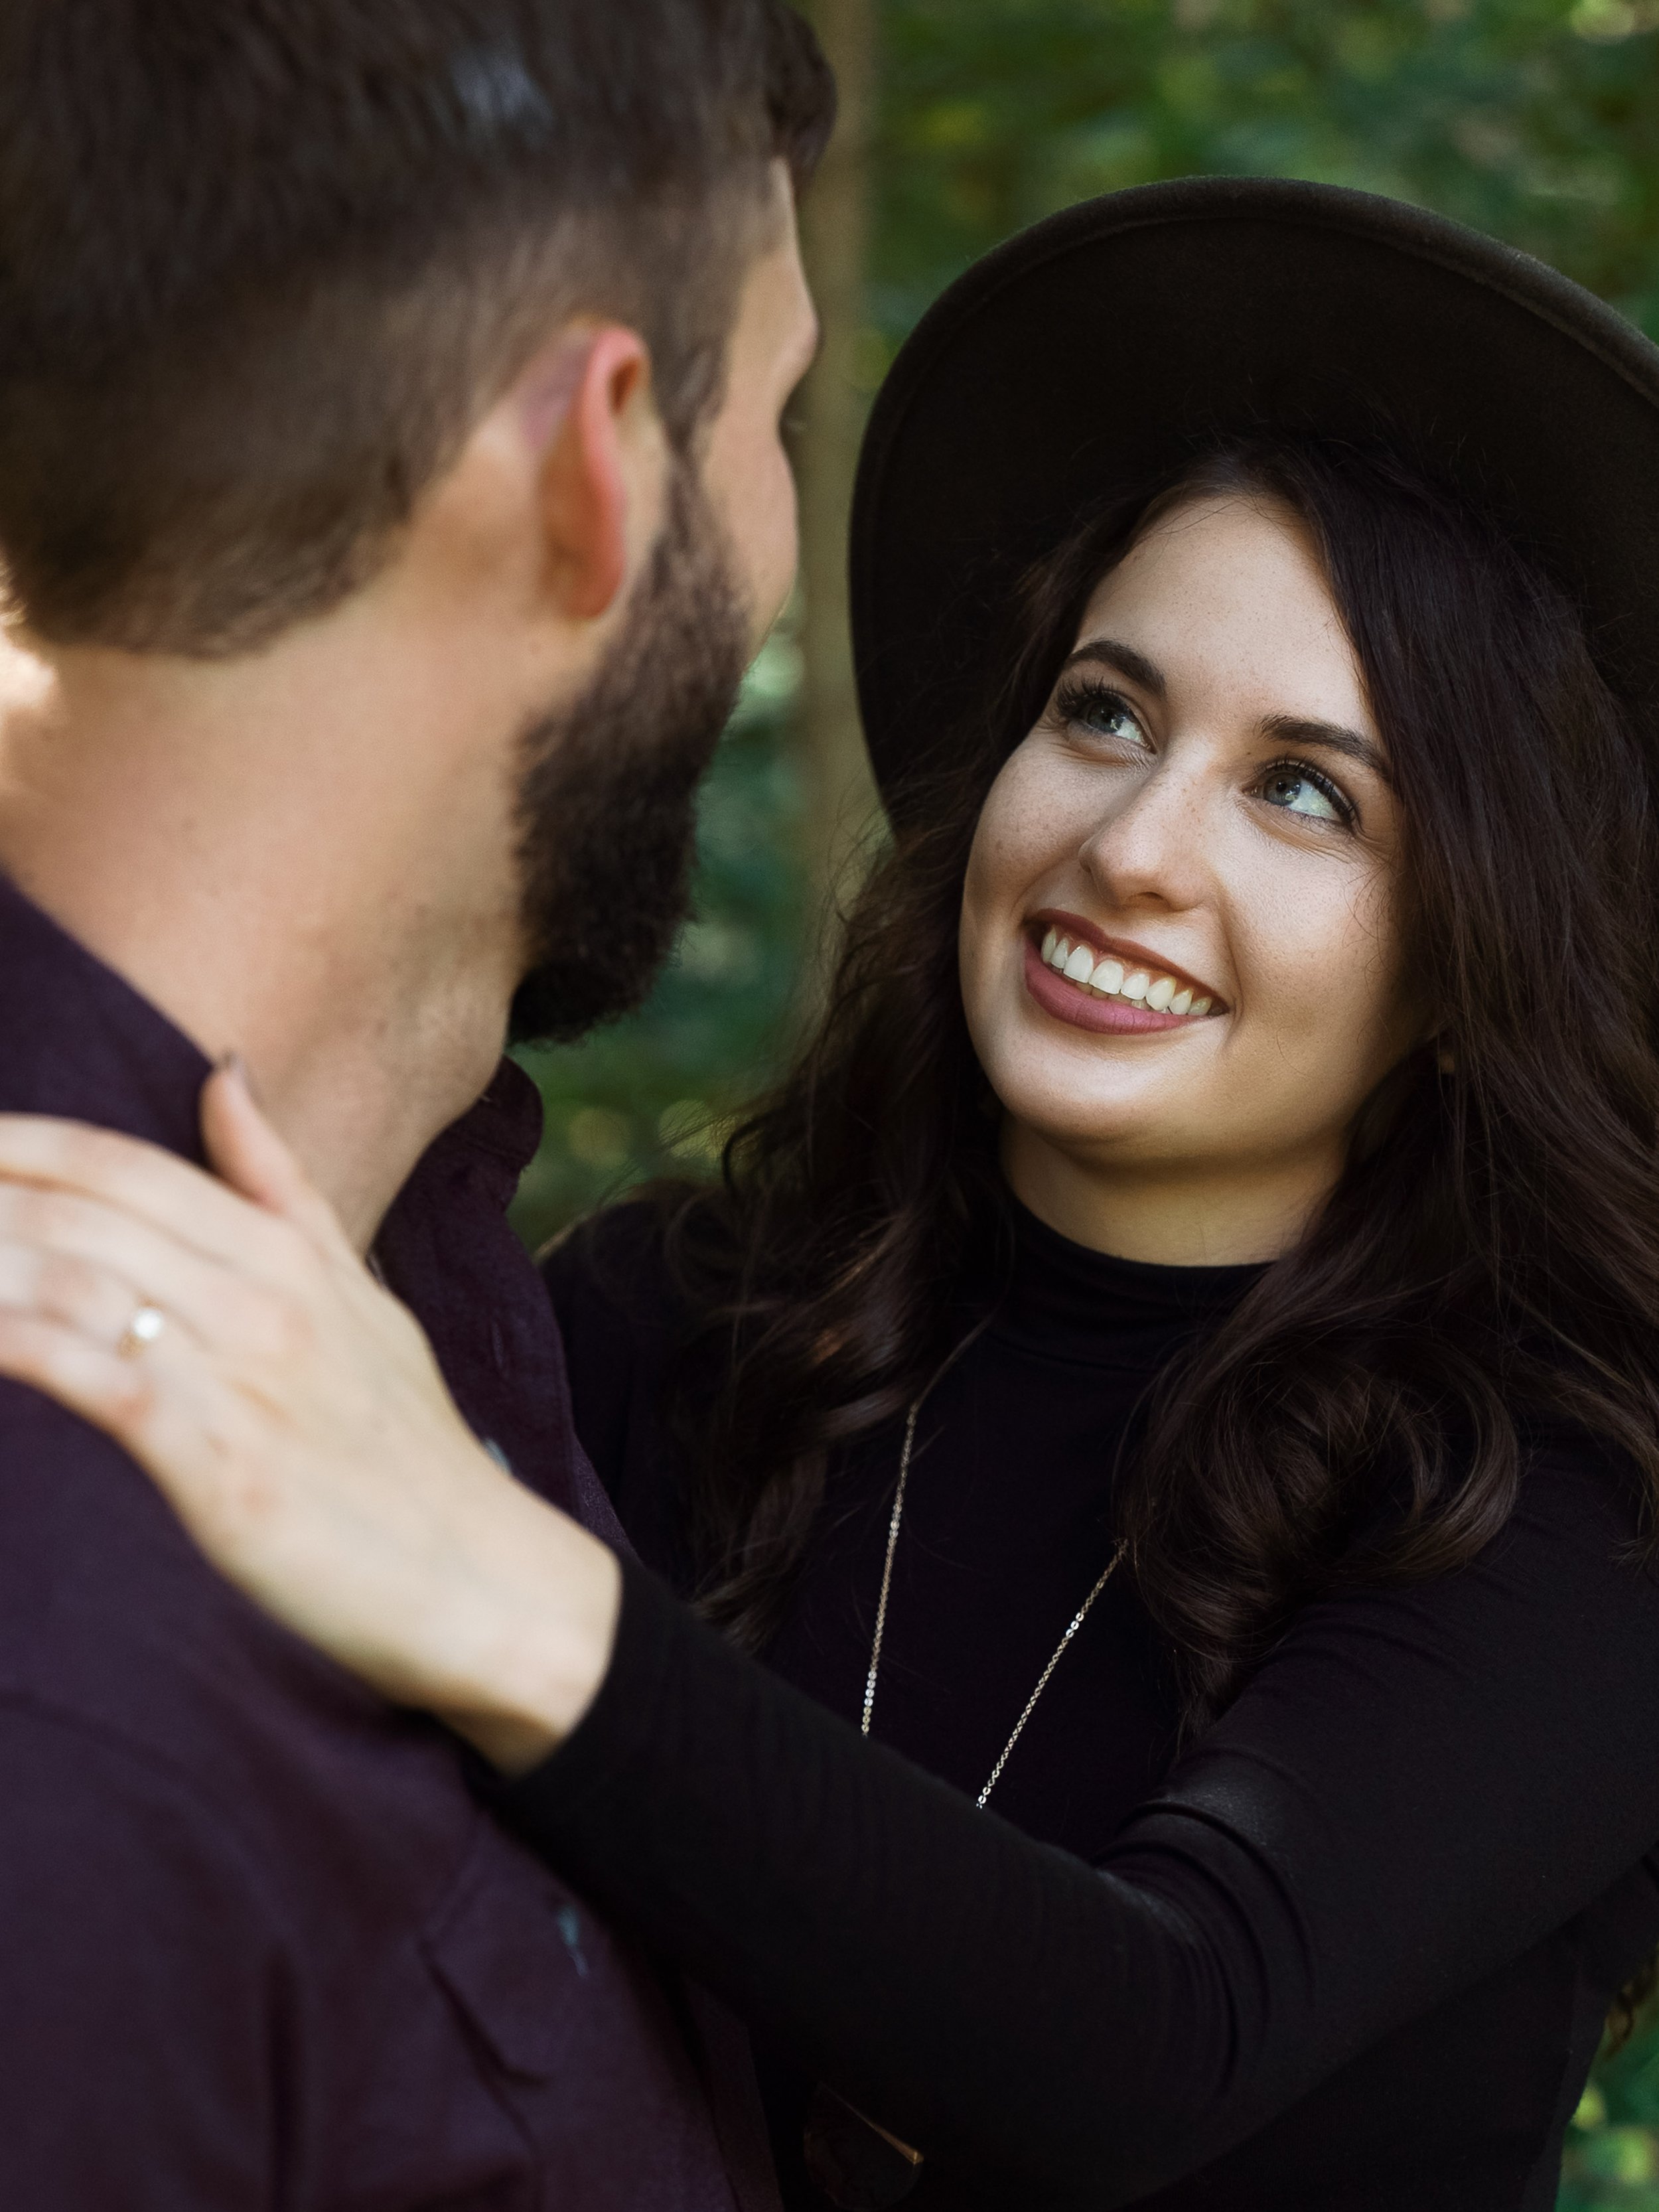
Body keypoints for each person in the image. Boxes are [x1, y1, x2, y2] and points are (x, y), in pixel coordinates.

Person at [2, 179, 1659, 2211]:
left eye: (1303, 791)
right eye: (1103, 712)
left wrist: (488, 1585)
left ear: (1470, 966)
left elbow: (1156, 2038)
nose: (1132, 845)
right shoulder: (670, 1319)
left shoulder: (1561, 1507)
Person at [0, 2, 830, 2205]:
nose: (786, 540)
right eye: (786, 410)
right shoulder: (59, 1698)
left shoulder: (455, 1299)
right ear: (599, 460)